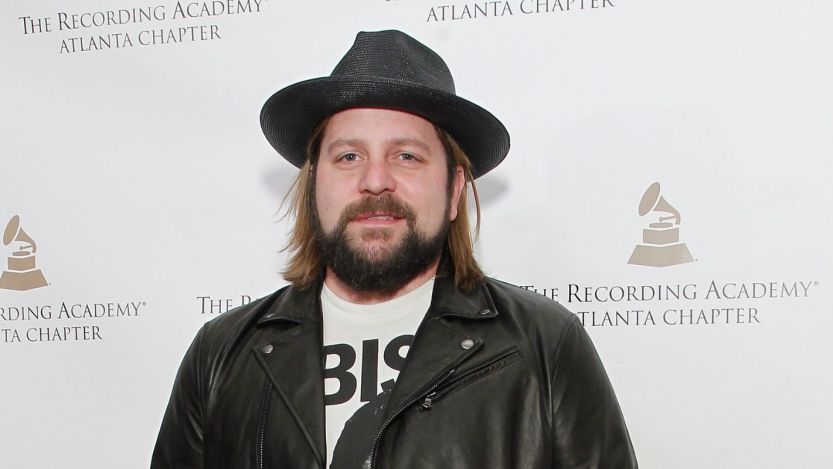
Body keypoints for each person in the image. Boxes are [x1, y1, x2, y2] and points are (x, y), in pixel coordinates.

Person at [152, 30, 637, 469]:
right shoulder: (221, 353)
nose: (375, 180)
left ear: (452, 190)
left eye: (406, 156)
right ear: (314, 185)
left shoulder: (543, 344)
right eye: (349, 156)